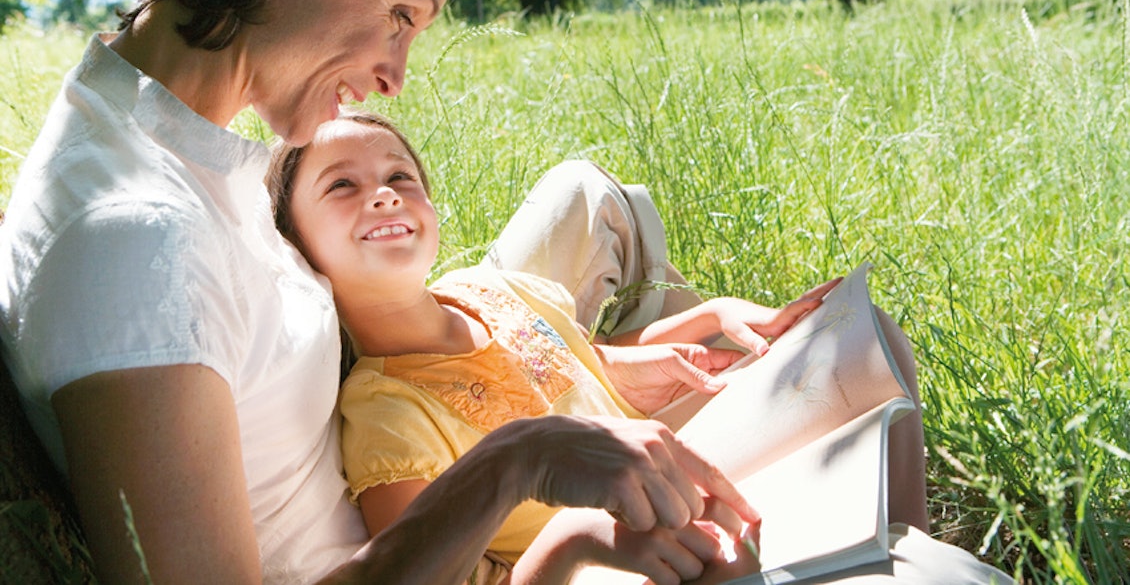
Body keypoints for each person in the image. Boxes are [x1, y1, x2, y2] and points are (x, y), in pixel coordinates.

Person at [0, 0, 759, 583]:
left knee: (634, 234)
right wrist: (516, 462)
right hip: (444, 546)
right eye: (400, 15)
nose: (395, 77)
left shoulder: (165, 145)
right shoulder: (133, 240)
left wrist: (582, 372)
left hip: (430, 467)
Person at [269, 110, 1017, 585]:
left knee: (862, 338)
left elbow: (583, 364)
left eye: (400, 174)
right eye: (342, 185)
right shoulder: (382, 412)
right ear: (297, 249)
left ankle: (891, 529)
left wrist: (708, 321)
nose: (383, 192)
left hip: (673, 467)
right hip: (605, 553)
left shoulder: (491, 291)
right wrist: (573, 539)